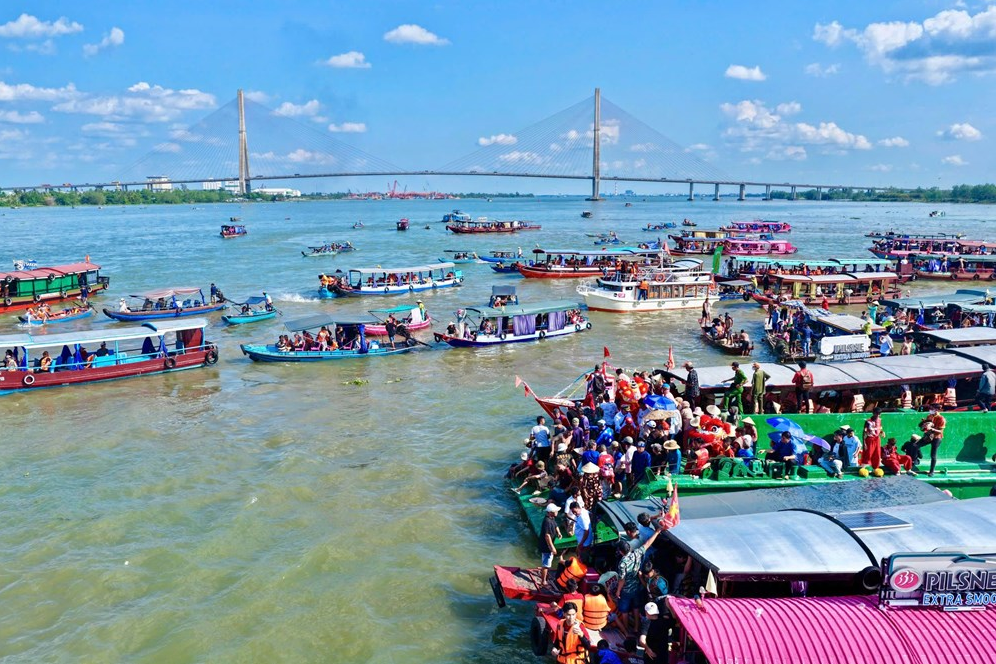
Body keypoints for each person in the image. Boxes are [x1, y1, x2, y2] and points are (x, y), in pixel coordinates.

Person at [615, 522, 665, 638]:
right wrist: (657, 532)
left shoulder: (622, 564)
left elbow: (622, 579)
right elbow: (648, 544)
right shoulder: (637, 553)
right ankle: (637, 628)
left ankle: (626, 629)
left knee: (624, 610)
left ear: (621, 552)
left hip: (626, 590)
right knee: (636, 607)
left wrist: (618, 591)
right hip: (637, 586)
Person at [538, 503, 562, 588]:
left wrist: (558, 533)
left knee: (547, 561)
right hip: (546, 546)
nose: (557, 512)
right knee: (546, 564)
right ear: (551, 512)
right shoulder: (547, 521)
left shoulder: (552, 518)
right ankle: (543, 581)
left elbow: (556, 526)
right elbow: (547, 536)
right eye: (556, 511)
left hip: (548, 545)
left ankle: (544, 574)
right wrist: (552, 548)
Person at [919, 406, 946, 476]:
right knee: (915, 445)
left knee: (933, 455)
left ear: (937, 410)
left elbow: (940, 431)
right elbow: (925, 426)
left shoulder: (941, 419)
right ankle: (916, 459)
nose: (930, 410)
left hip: (936, 438)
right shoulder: (929, 416)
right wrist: (924, 423)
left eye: (932, 409)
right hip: (928, 436)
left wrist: (931, 429)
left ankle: (931, 471)